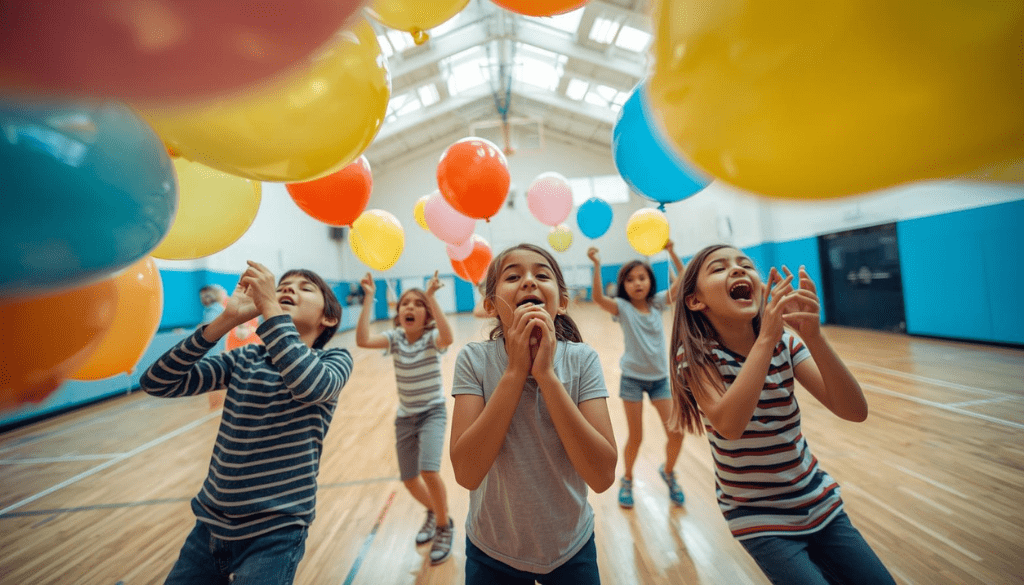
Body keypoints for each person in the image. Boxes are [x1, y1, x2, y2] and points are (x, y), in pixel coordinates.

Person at [668, 245, 895, 585]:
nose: (738, 269)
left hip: (816, 498)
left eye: (746, 265)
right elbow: (729, 426)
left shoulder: (786, 346)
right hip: (756, 515)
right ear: (695, 300)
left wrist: (813, 337)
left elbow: (854, 411)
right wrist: (766, 339)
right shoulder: (697, 358)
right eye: (719, 268)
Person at [140, 261, 352, 585]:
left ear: (329, 318)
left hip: (275, 534)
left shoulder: (333, 360)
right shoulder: (245, 359)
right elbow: (158, 381)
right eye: (282, 286)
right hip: (209, 527)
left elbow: (309, 384)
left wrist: (269, 305)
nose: (288, 289)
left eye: (305, 287)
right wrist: (226, 320)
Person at [450, 243, 617, 584]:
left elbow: (602, 477)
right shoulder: (474, 360)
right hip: (491, 550)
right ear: (490, 305)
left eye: (542, 275)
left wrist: (546, 376)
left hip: (571, 546)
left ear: (563, 300)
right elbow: (467, 473)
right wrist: (514, 372)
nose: (528, 281)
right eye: (513, 276)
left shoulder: (582, 360)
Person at [356, 270, 456, 565]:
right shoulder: (395, 339)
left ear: (427, 315)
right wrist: (369, 298)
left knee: (429, 471)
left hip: (432, 413)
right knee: (410, 479)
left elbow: (448, 336)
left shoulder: (430, 339)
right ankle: (437, 513)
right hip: (405, 418)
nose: (410, 307)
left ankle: (443, 526)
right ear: (398, 314)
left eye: (418, 303)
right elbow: (362, 339)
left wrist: (433, 297)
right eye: (405, 304)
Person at [588, 240, 687, 509]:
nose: (637, 283)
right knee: (637, 436)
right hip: (632, 379)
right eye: (630, 280)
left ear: (649, 281)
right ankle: (628, 479)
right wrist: (597, 265)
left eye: (642, 278)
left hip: (660, 380)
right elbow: (598, 298)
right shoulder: (622, 307)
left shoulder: (657, 303)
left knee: (676, 433)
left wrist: (671, 253)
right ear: (624, 285)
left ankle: (668, 471)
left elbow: (681, 283)